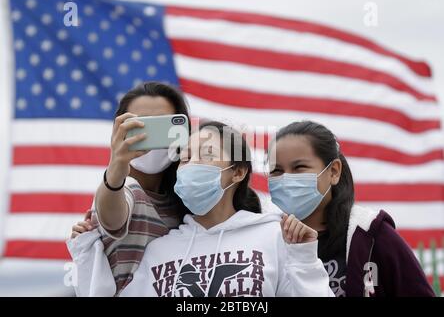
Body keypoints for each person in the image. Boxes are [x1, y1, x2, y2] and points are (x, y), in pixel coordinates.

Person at [67, 121, 333, 297]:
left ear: (238, 172)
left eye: (205, 155)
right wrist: (88, 253)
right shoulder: (159, 249)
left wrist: (304, 259)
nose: (192, 164)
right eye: (185, 158)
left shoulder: (275, 235)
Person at [267, 120, 435, 297]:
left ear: (333, 172)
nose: (286, 179)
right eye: (276, 170)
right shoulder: (266, 239)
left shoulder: (371, 235)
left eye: (299, 167)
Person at [71, 81, 190, 294]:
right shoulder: (124, 189)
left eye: (162, 126)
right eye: (140, 126)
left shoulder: (189, 197)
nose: (150, 138)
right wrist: (116, 166)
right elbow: (112, 217)